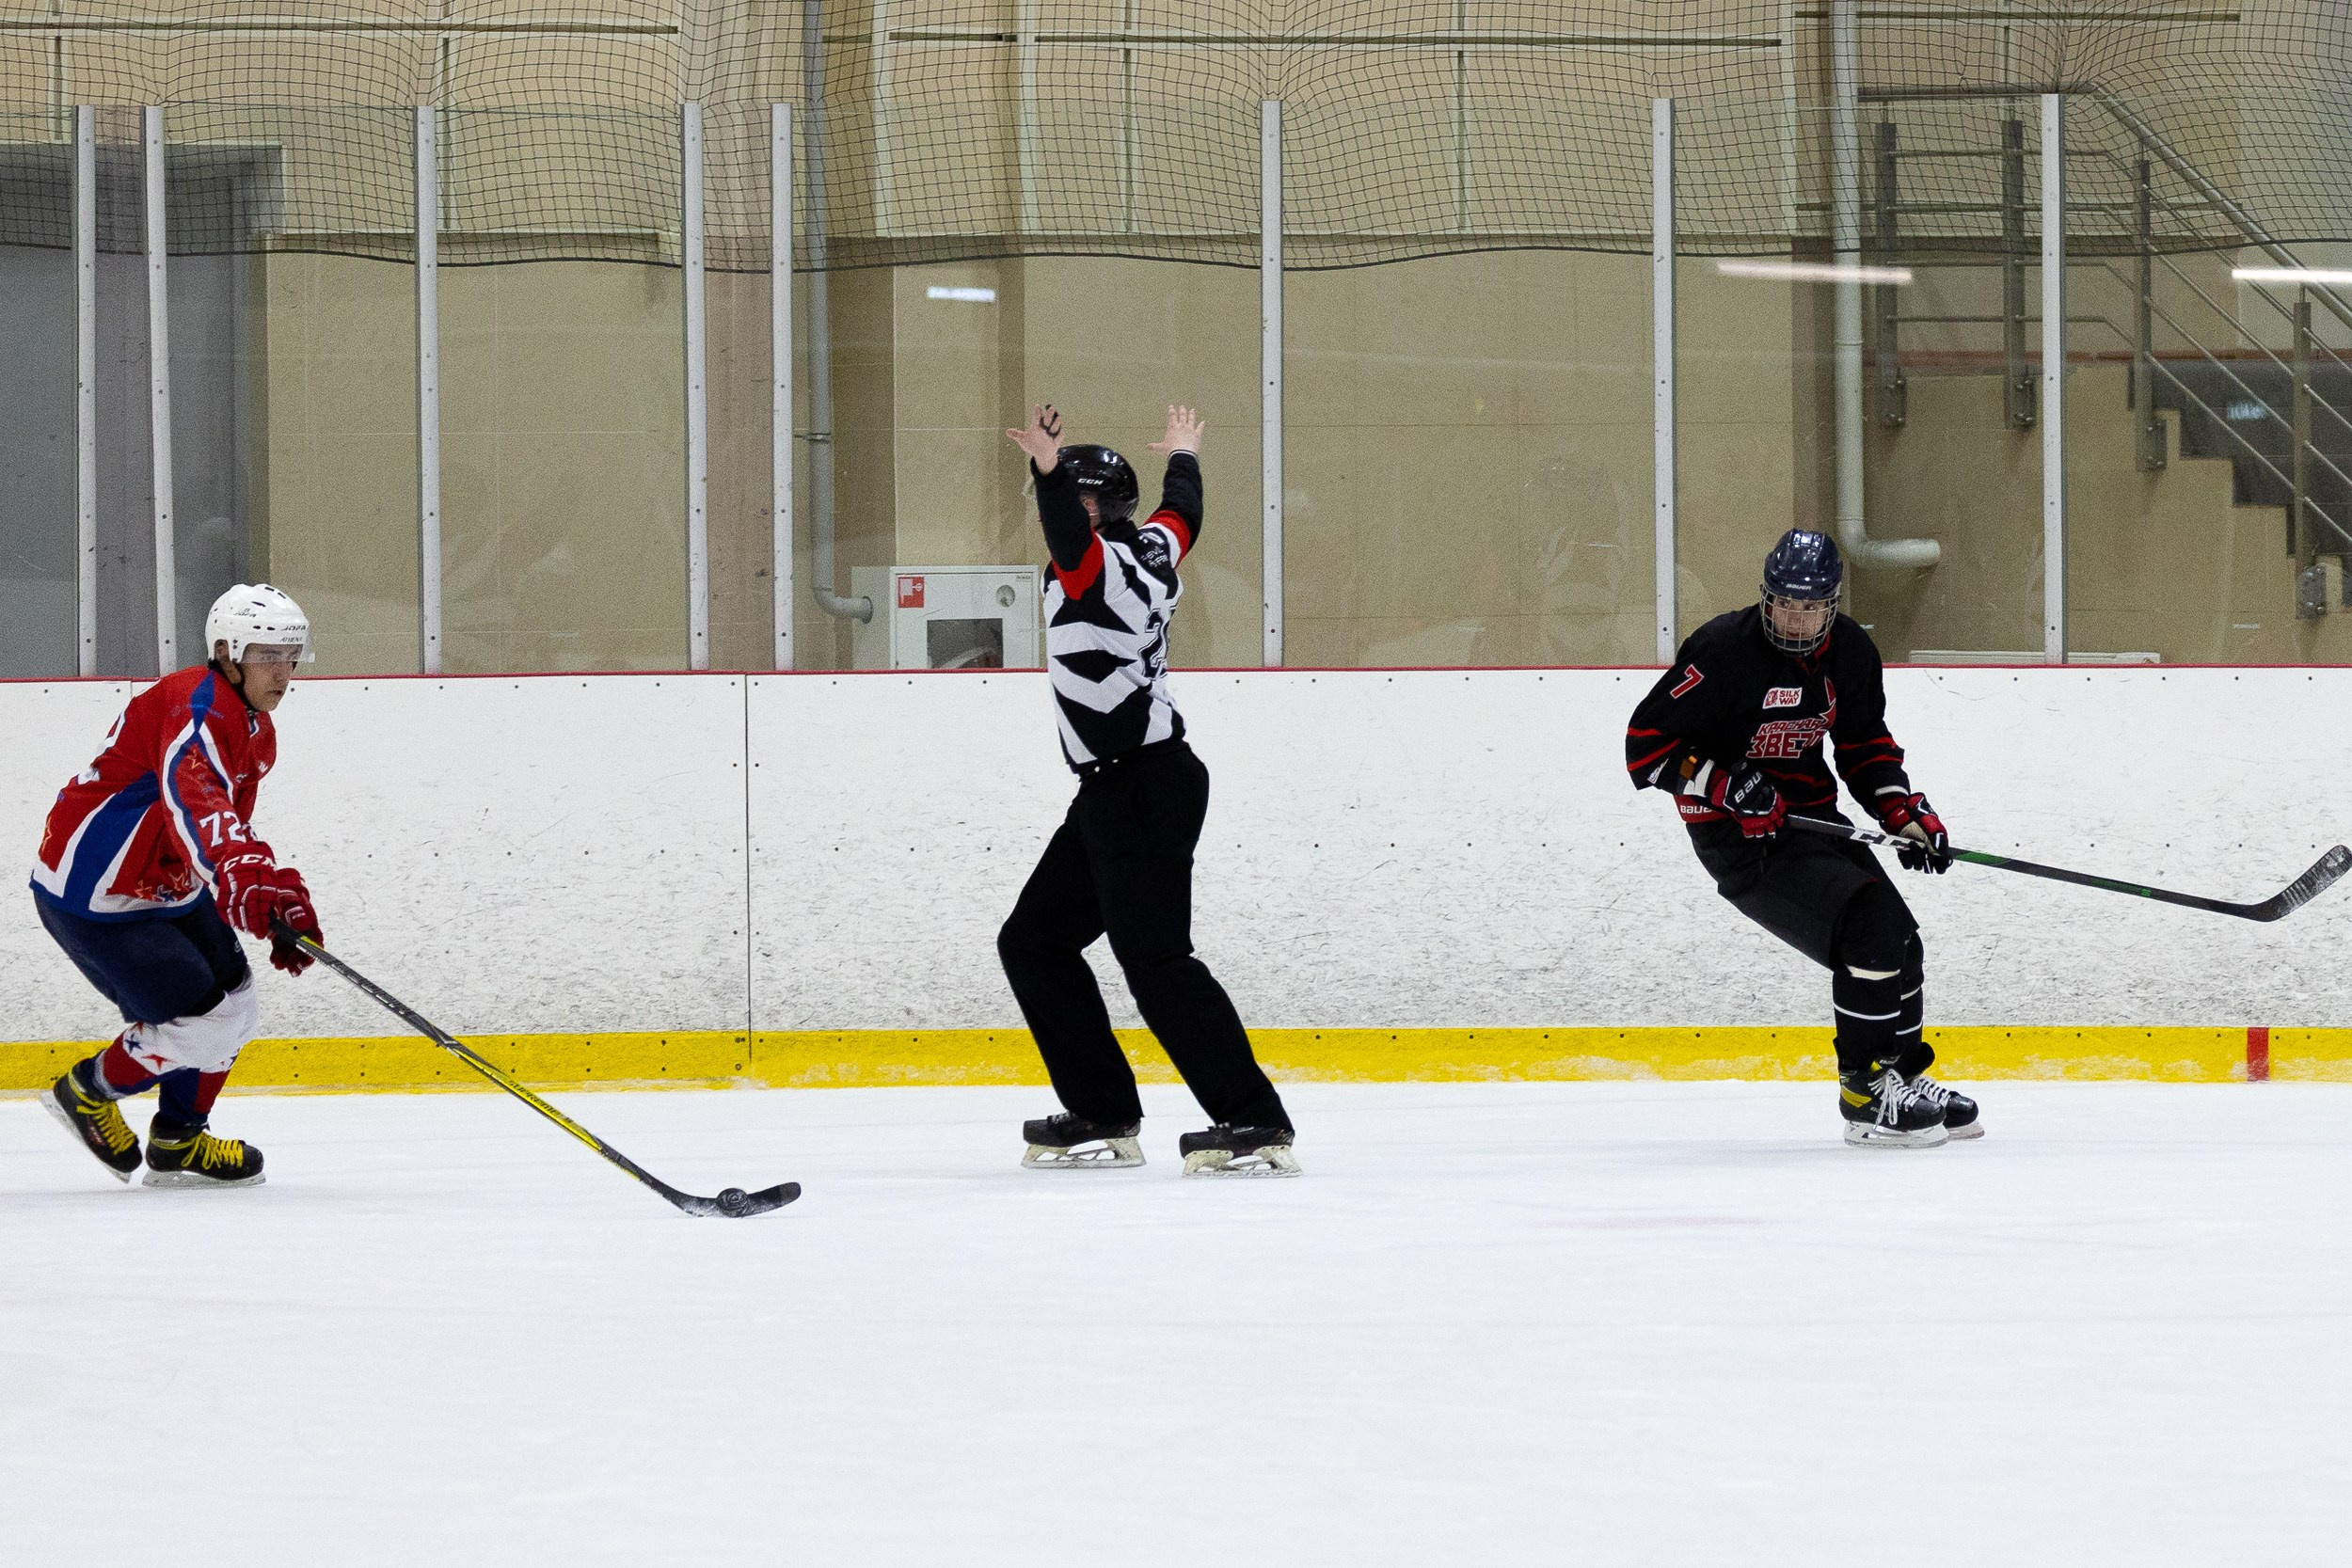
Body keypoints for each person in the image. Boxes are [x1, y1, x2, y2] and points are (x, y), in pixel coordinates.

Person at [996, 402, 1297, 1177]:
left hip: (1142, 788)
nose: (1059, 514)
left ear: (1099, 509)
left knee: (1156, 959)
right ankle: (1101, 1107)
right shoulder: (1149, 547)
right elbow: (1182, 515)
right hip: (1116, 793)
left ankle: (1254, 1118)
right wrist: (1184, 453)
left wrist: (1047, 469)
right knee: (1034, 941)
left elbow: (1071, 540)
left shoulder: (1099, 572)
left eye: (1077, 501)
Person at [1624, 530, 1981, 1148]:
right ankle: (1864, 1096)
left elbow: (1864, 744)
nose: (1796, 618)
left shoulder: (1851, 652)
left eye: (1810, 606)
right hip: (1740, 838)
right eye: (1785, 603)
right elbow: (1646, 748)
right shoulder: (1722, 651)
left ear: (1832, 605)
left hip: (1815, 819)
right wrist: (1723, 784)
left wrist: (1901, 811)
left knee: (1901, 942)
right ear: (1766, 598)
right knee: (1868, 927)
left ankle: (1898, 1079)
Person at [33, 583, 326, 1187]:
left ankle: (179, 1140)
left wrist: (266, 886)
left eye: (291, 656)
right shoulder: (197, 708)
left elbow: (224, 819)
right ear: (226, 653)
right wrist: (240, 874)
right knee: (202, 1025)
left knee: (236, 1004)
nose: (283, 672)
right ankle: (88, 1091)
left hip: (168, 883)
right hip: (100, 891)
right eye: (267, 655)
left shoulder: (255, 727)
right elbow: (194, 801)